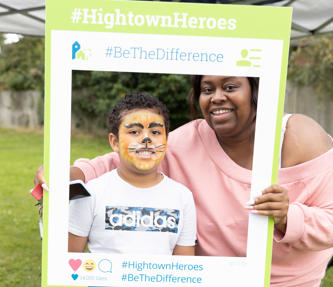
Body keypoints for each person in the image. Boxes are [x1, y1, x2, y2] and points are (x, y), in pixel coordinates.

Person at [36, 76, 333, 286]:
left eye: (230, 86)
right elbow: (120, 160)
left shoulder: (298, 136)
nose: (217, 96)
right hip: (210, 280)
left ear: (256, 90)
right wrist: (67, 175)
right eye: (207, 88)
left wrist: (287, 216)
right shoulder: (191, 139)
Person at [68, 93, 196, 255]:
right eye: (135, 132)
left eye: (155, 132)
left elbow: (183, 266)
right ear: (115, 142)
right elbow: (68, 259)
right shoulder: (91, 193)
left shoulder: (183, 197)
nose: (146, 139)